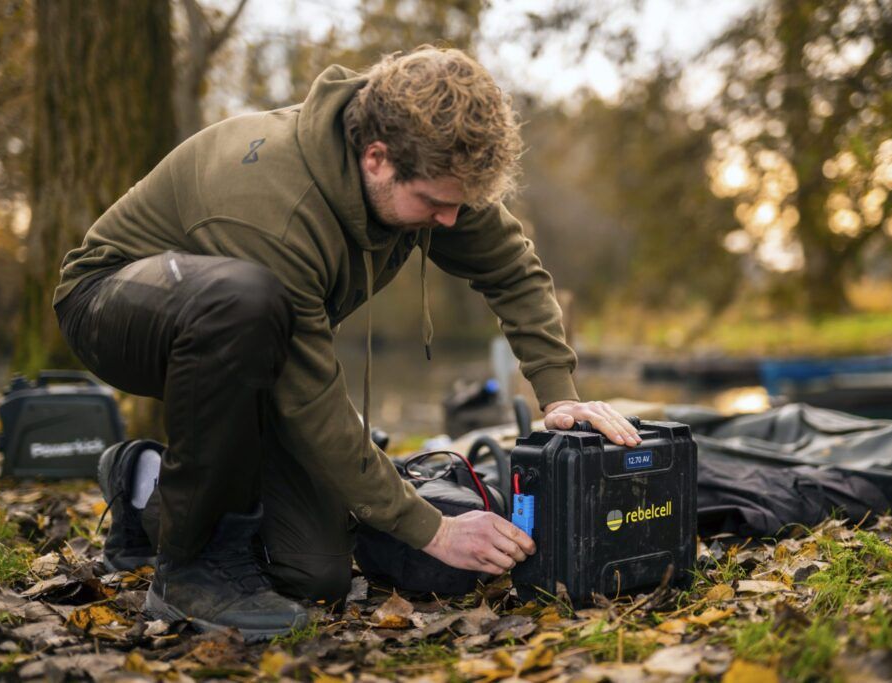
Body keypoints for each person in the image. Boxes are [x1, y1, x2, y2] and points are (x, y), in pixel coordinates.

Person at [53, 46, 641, 640]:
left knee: (315, 571)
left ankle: (144, 483)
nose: (449, 221)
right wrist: (434, 529)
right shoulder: (273, 207)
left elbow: (514, 271)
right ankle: (188, 573)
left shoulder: (437, 173)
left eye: (460, 204)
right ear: (377, 159)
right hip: (115, 304)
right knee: (243, 302)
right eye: (435, 204)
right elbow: (310, 400)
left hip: (251, 341)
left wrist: (559, 396)